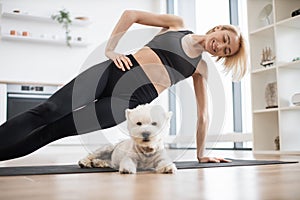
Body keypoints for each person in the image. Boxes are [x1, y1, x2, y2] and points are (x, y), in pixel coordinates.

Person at [0, 10, 247, 162]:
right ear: (218, 28)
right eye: (224, 39)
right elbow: (131, 14)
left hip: (123, 103)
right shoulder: (176, 24)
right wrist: (110, 50)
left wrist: (201, 154)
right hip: (111, 73)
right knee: (48, 110)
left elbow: (203, 115)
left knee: (52, 132)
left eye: (226, 51)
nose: (220, 46)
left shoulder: (199, 68)